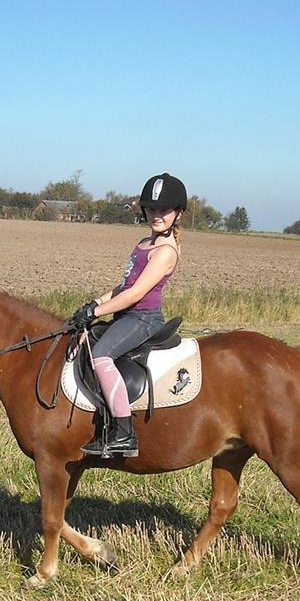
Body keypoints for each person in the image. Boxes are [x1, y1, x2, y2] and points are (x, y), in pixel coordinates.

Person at [70, 172, 187, 457]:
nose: (156, 215)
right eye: (151, 208)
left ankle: (124, 433)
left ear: (178, 214)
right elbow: (124, 287)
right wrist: (94, 303)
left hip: (143, 318)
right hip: (128, 316)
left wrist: (96, 312)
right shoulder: (144, 244)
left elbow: (135, 295)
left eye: (163, 210)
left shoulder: (165, 251)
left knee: (101, 355)